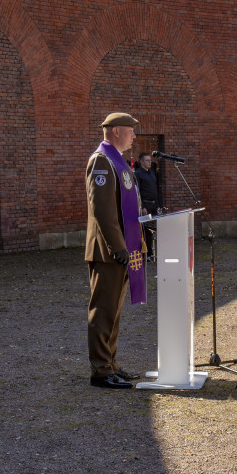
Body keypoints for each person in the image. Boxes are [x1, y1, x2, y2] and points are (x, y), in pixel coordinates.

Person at [85, 112, 147, 389]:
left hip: (122, 250)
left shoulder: (118, 162)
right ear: (115, 132)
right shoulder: (102, 161)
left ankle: (111, 364)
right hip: (108, 252)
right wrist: (119, 247)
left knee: (114, 311)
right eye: (131, 131)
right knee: (103, 310)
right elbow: (102, 211)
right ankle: (100, 371)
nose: (134, 136)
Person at [134, 152, 161, 261]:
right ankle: (148, 253)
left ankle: (155, 252)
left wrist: (158, 205)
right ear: (141, 161)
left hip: (154, 204)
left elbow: (156, 190)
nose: (149, 162)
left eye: (150, 160)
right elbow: (137, 192)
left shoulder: (152, 173)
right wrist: (142, 206)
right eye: (147, 160)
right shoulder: (138, 174)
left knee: (156, 229)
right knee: (147, 231)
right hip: (145, 205)